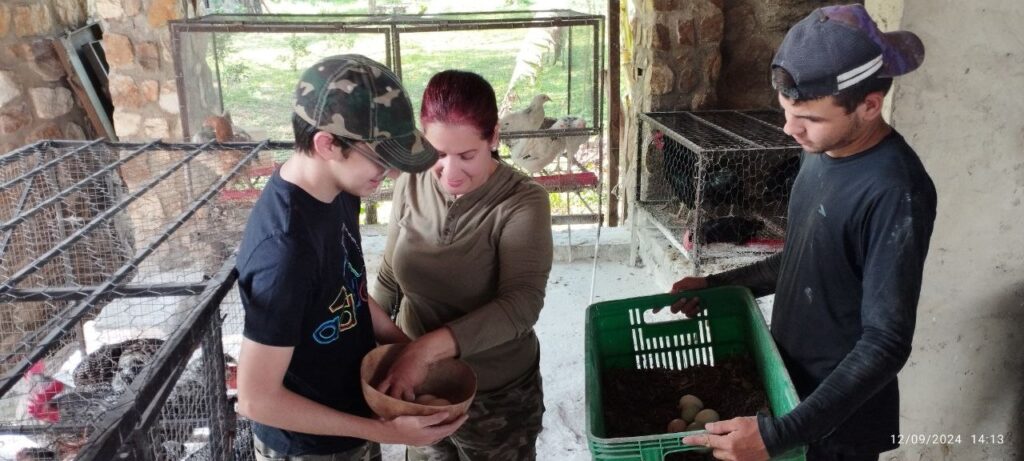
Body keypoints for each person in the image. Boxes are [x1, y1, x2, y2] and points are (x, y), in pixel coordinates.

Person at [671, 5, 937, 461]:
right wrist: (718, 286)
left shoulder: (896, 191)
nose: (790, 130)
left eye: (809, 119)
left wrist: (778, 436)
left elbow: (886, 342)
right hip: (788, 387)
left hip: (836, 422)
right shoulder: (820, 151)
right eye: (787, 112)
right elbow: (795, 259)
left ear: (870, 105)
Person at [235, 54, 467, 461]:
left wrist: (405, 349)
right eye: (380, 158)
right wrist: (385, 430)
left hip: (352, 416)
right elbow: (256, 399)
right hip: (306, 447)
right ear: (327, 144)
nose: (391, 173)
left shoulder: (339, 191)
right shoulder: (285, 251)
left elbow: (350, 289)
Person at [371, 70, 553, 461]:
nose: (451, 174)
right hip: (416, 390)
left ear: (494, 138)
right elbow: (389, 275)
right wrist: (374, 352)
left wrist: (423, 352)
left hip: (497, 395)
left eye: (467, 155)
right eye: (437, 154)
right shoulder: (412, 180)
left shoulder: (523, 202)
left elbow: (521, 304)